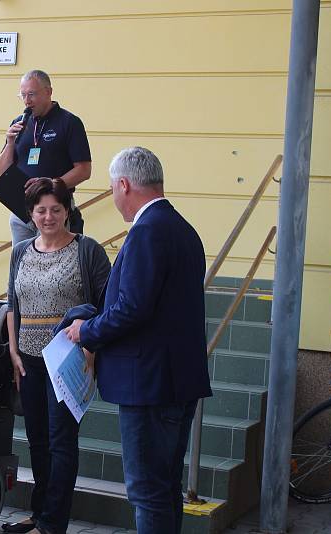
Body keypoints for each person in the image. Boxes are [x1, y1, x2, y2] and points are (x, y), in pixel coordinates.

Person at [64, 147, 212, 534]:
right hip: (177, 379)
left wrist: (87, 331)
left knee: (148, 492)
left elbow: (132, 308)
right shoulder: (183, 229)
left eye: (112, 188)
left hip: (148, 384)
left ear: (124, 185)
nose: (113, 196)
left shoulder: (148, 231)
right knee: (165, 488)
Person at [4, 178, 110, 534]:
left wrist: (91, 350)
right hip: (29, 362)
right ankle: (39, 514)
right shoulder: (20, 251)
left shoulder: (87, 250)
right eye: (41, 210)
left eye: (56, 209)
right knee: (37, 441)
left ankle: (52, 525)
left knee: (61, 442)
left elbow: (106, 306)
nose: (48, 216)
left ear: (68, 211)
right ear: (31, 213)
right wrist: (14, 352)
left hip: (66, 361)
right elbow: (11, 305)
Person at [0, 69, 92, 245]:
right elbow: (3, 171)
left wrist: (50, 184)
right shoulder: (18, 122)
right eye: (22, 95)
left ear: (48, 92)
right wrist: (10, 142)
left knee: (58, 262)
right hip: (22, 208)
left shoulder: (69, 122)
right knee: (23, 263)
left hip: (54, 207)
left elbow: (84, 170)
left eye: (31, 94)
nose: (27, 101)